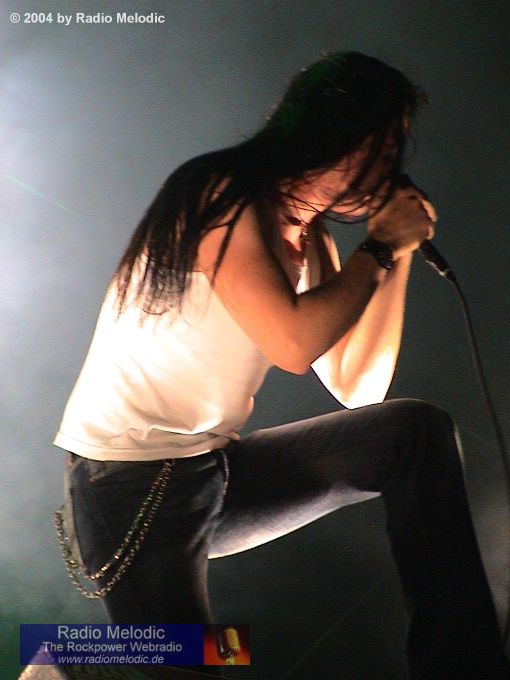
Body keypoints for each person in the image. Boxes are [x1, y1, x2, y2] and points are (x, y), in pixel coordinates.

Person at [53, 52, 510, 679]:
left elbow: (359, 387)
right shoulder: (219, 194)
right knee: (200, 662)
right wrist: (378, 247)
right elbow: (292, 345)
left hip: (213, 469)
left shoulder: (311, 236)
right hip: (129, 484)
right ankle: (74, 664)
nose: (389, 164)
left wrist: (397, 254)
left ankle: (464, 666)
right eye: (381, 145)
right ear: (334, 132)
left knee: (412, 432)